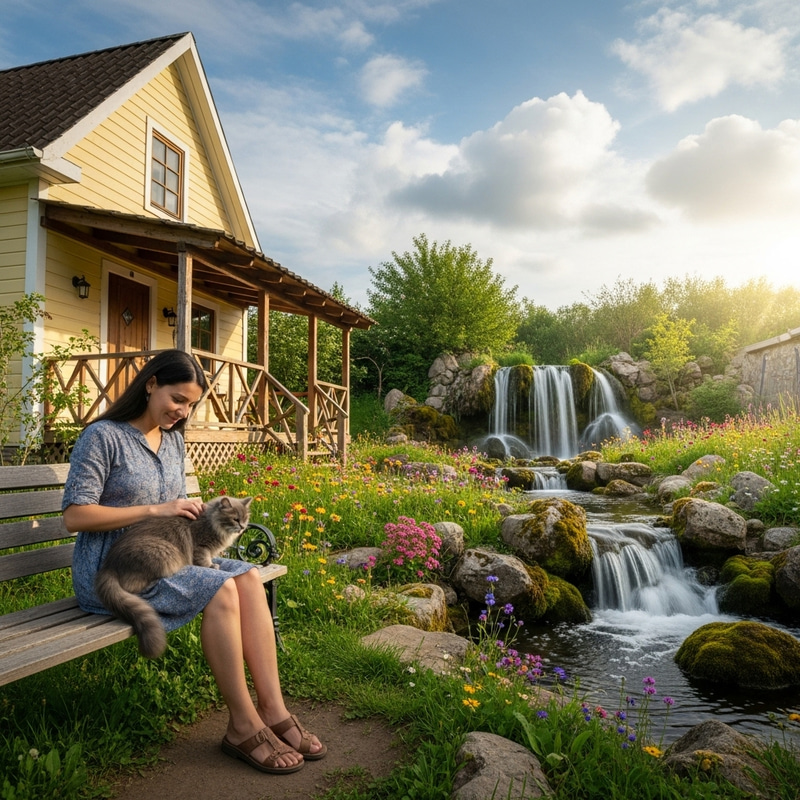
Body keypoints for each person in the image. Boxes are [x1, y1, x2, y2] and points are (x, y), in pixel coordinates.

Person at [62, 348, 325, 774]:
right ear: (151, 384)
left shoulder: (173, 441)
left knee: (248, 577)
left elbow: (176, 509)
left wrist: (194, 510)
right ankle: (242, 727)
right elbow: (74, 517)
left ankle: (274, 711)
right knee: (220, 587)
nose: (182, 412)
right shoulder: (103, 436)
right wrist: (157, 509)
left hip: (169, 556)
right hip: (114, 569)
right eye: (177, 399)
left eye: (191, 404)